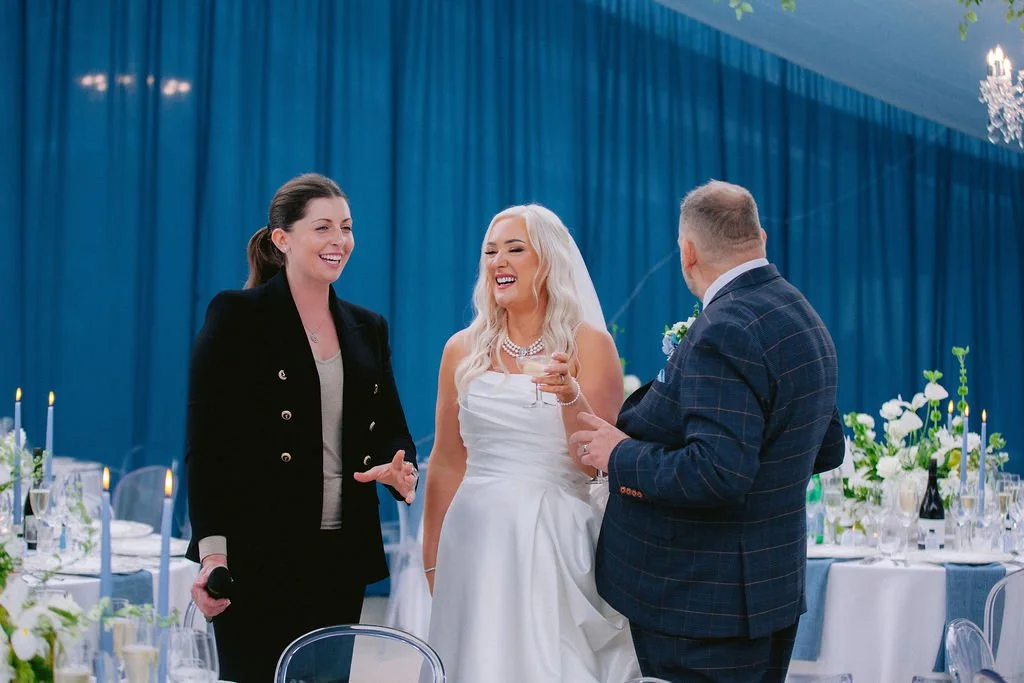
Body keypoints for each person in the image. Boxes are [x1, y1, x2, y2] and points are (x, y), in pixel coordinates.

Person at [571, 180, 845, 682]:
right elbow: (827, 447)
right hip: (767, 590)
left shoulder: (726, 327)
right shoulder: (802, 315)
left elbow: (716, 473)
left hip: (701, 602)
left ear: (688, 251)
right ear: (759, 235)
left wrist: (619, 454)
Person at [184, 173, 418, 682]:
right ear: (282, 239)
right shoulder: (238, 317)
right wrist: (212, 557)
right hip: (257, 555)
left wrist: (402, 469)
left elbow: (393, 430)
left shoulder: (368, 327)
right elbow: (208, 449)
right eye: (323, 228)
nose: (339, 241)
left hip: (342, 556)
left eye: (347, 228)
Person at [421, 204, 640, 683]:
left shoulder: (590, 344)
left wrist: (570, 397)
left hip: (553, 539)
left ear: (548, 260)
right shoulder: (461, 349)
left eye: (515, 249)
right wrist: (432, 553)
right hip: (473, 540)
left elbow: (597, 466)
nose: (499, 261)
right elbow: (446, 462)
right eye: (490, 252)